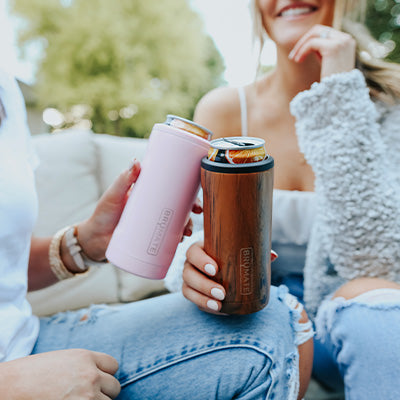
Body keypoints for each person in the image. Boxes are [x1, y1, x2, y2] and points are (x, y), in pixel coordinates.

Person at [0, 50, 314, 398]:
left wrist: (86, 241)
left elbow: (6, 267)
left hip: (22, 336)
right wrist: (9, 384)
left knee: (275, 323)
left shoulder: (5, 87)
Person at [177, 0, 400, 399]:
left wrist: (338, 94)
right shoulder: (225, 111)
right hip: (260, 322)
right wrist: (197, 268)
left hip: (361, 318)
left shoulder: (392, 104)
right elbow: (187, 238)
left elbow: (377, 262)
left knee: (371, 308)